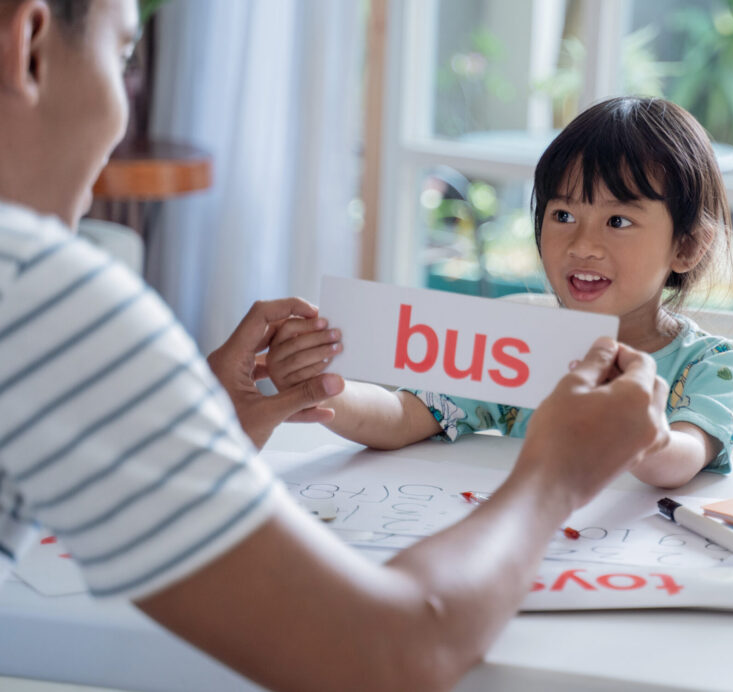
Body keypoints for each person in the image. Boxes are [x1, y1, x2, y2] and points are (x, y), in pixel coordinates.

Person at [0, 1, 672, 690]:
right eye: (123, 56)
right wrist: (554, 477)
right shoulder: (40, 292)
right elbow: (385, 654)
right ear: (30, 46)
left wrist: (200, 417)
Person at [267, 96, 733, 489]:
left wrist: (646, 440)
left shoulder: (714, 366)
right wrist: (328, 389)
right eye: (563, 215)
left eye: (618, 220)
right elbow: (403, 415)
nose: (583, 245)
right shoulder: (517, 345)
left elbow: (683, 459)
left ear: (687, 246)